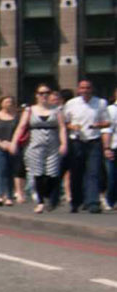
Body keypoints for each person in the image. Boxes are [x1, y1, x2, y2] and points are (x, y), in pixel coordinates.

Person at [61, 79, 108, 213]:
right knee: (76, 172)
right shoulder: (71, 103)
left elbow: (107, 122)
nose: (85, 90)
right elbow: (65, 122)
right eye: (82, 88)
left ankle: (93, 202)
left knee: (93, 172)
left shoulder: (100, 103)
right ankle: (76, 201)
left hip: (94, 140)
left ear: (92, 89)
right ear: (78, 90)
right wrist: (72, 126)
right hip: (77, 140)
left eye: (88, 88)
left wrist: (97, 125)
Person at [17, 85, 65, 210]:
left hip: (53, 144)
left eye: (47, 93)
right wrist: (14, 142)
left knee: (52, 173)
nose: (44, 95)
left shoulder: (57, 110)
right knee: (38, 173)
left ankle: (47, 195)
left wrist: (64, 143)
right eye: (41, 93)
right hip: (35, 144)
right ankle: (40, 201)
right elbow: (21, 126)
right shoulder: (30, 110)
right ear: (36, 95)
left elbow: (62, 127)